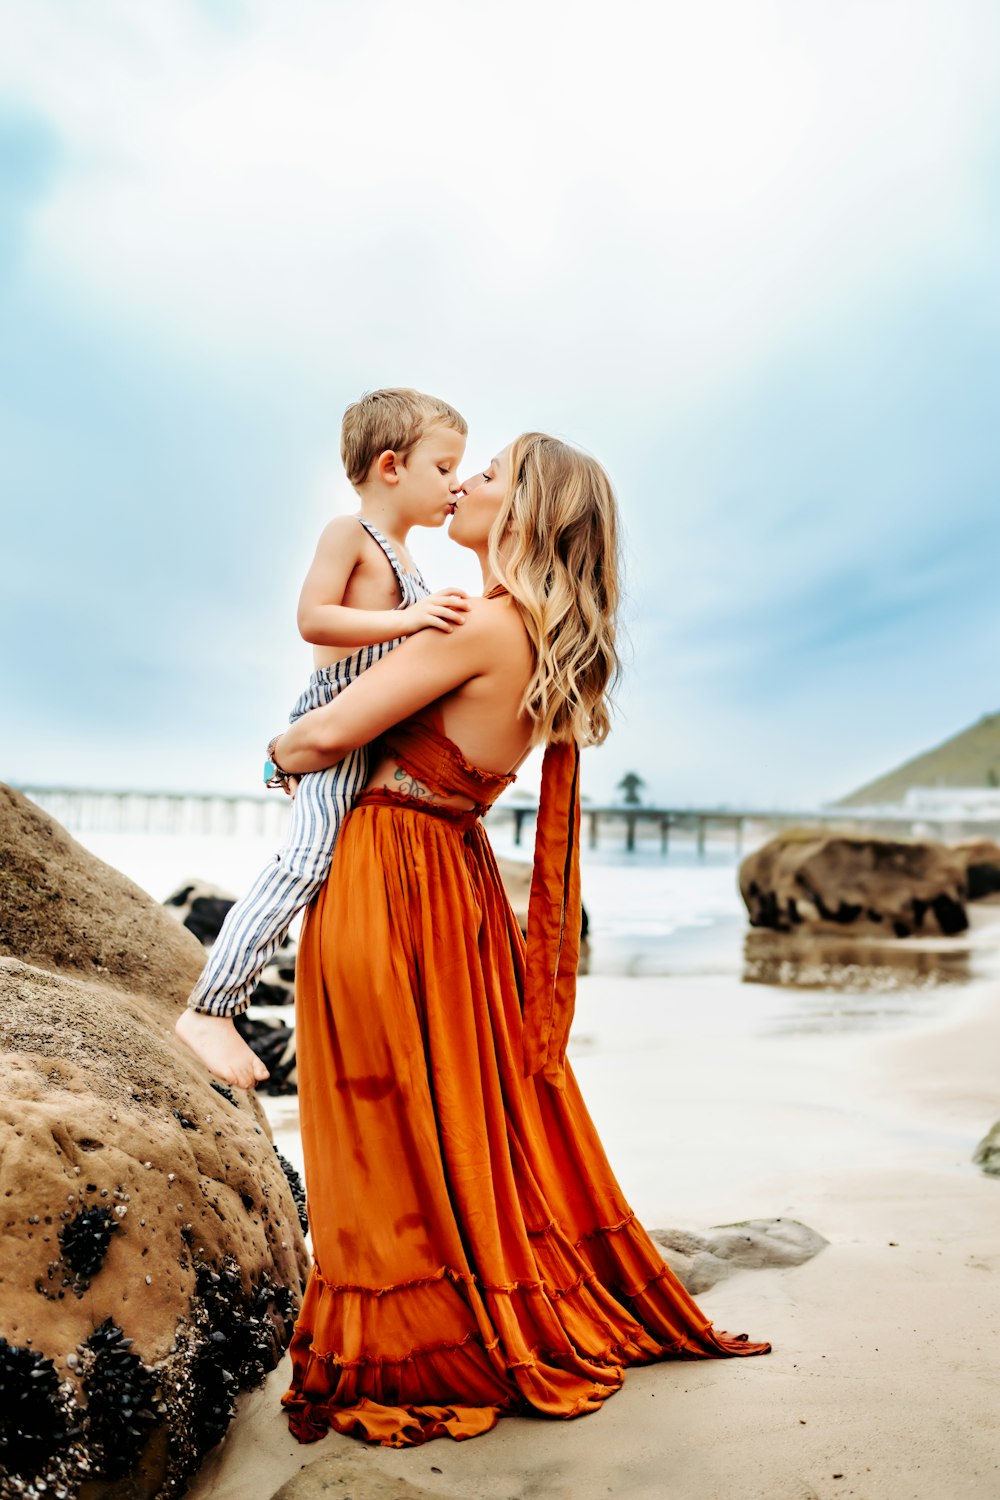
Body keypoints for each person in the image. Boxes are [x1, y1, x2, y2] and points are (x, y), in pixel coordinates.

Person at [257, 431, 772, 1448]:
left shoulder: (485, 625)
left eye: (485, 474)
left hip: (391, 873)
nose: (464, 482)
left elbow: (321, 737)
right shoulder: (531, 631)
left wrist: (274, 748)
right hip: (451, 879)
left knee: (374, 1104)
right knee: (443, 1101)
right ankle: (461, 1294)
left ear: (528, 511)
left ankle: (413, 1330)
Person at [176, 387, 471, 1089]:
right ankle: (210, 1010)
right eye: (444, 467)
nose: (456, 485)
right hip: (336, 728)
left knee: (345, 887)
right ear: (392, 466)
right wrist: (415, 621)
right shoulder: (351, 535)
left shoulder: (407, 556)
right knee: (303, 863)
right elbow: (315, 619)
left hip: (375, 736)